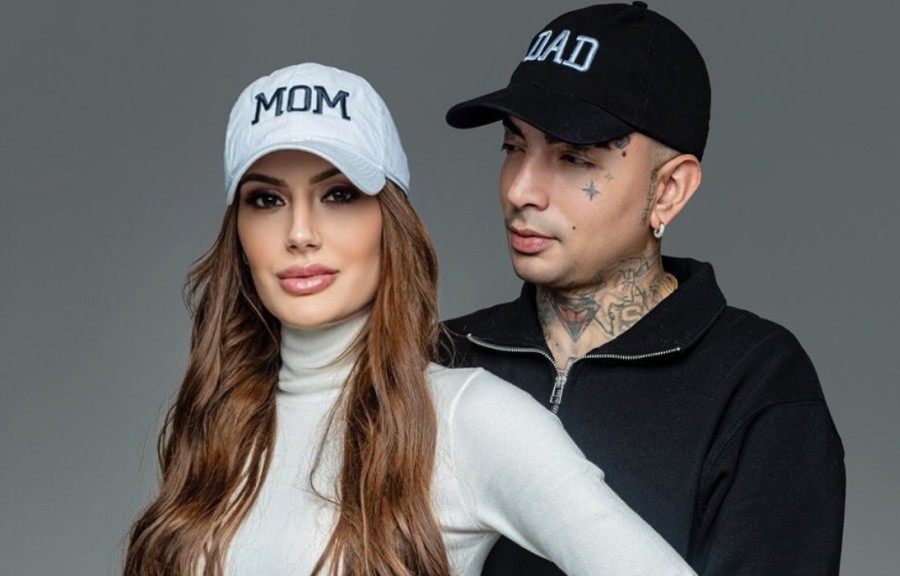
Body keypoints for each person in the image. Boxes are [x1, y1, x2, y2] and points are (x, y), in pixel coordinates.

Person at [123, 63, 698, 576]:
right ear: (239, 233)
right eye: (267, 200)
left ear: (389, 220)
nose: (299, 234)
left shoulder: (468, 417)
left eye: (339, 195)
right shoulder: (219, 429)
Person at [443, 3, 846, 575]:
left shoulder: (757, 383)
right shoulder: (439, 359)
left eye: (573, 157)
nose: (520, 190)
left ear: (669, 190)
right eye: (513, 148)